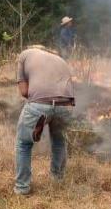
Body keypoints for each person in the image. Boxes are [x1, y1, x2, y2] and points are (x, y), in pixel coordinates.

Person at [14, 45, 75, 196]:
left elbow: (24, 92)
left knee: (24, 144)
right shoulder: (60, 59)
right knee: (59, 141)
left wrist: (39, 109)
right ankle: (57, 180)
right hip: (65, 106)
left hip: (40, 104)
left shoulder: (24, 55)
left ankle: (22, 188)